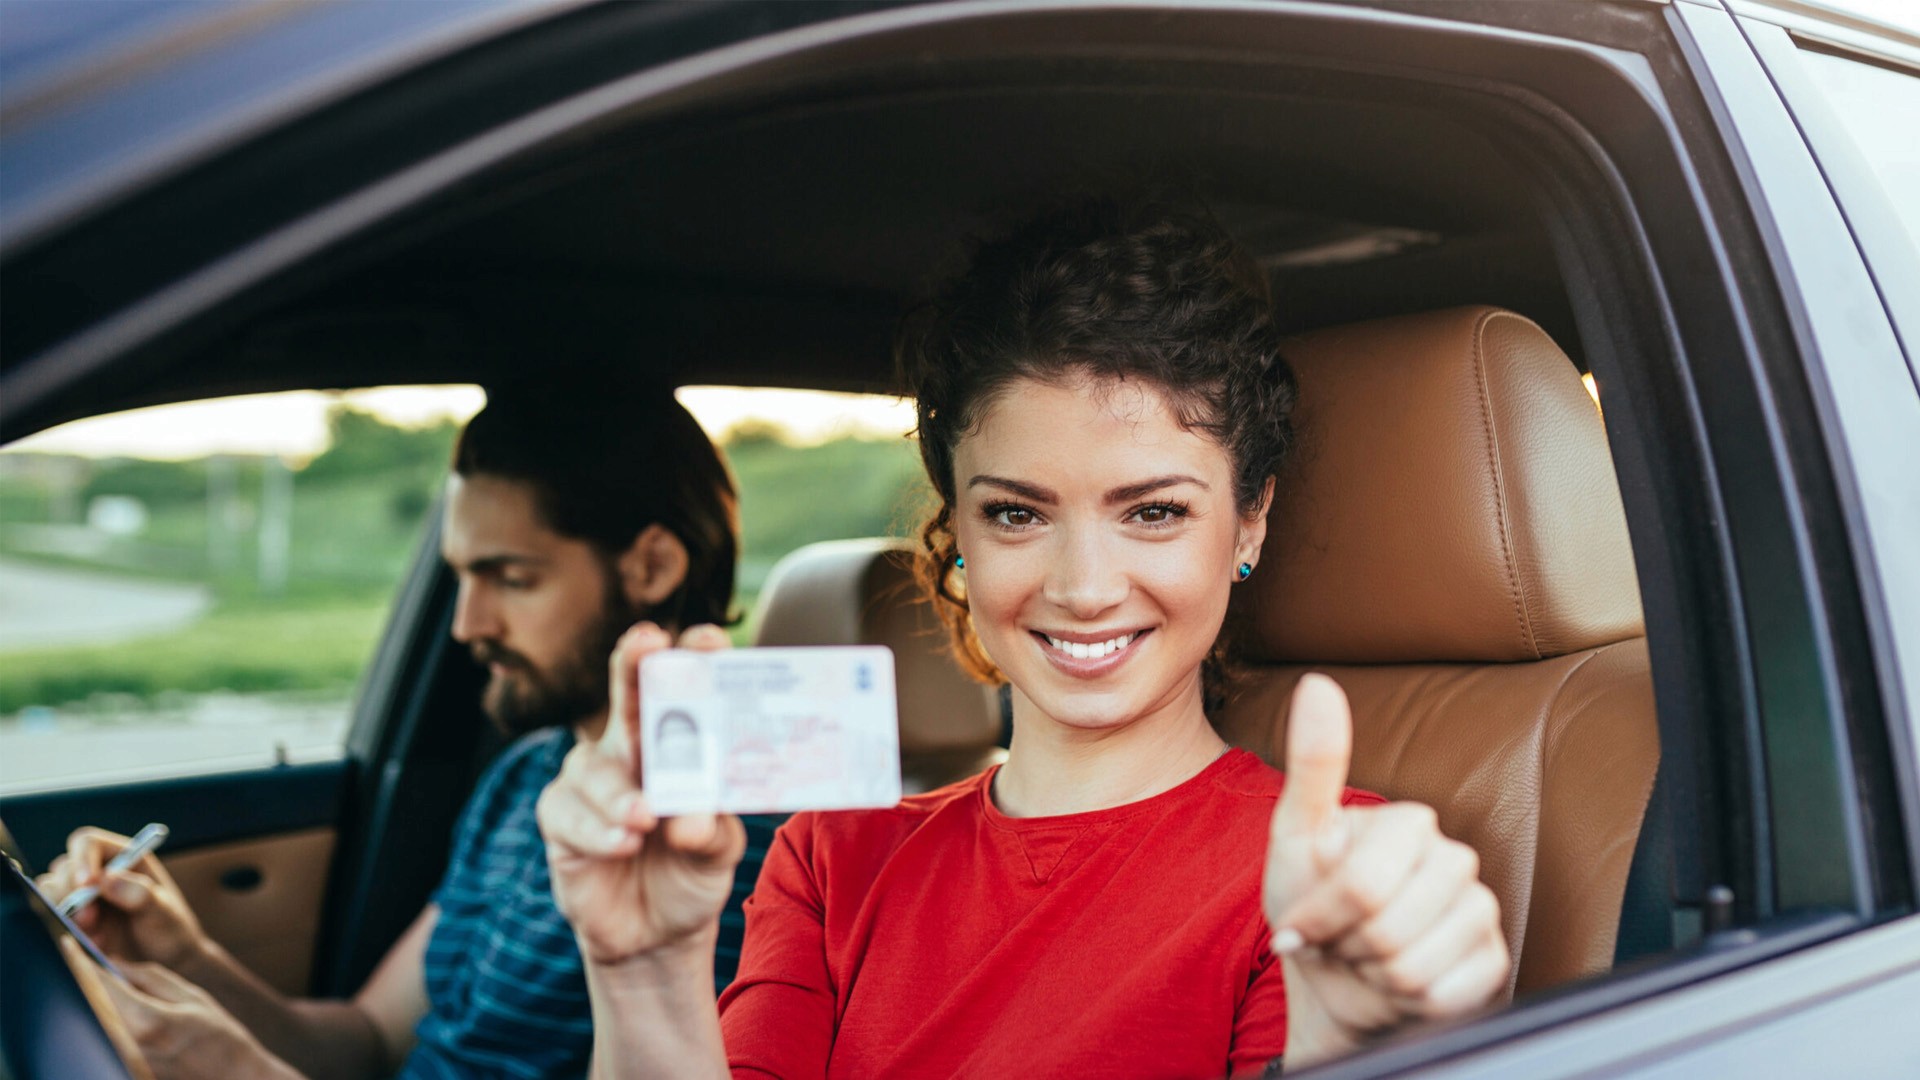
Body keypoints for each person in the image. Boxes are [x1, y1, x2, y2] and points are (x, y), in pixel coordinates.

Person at [536, 202, 1511, 1078]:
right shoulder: (830, 861)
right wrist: (644, 971)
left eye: (1156, 512)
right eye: (1016, 516)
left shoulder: (1336, 880)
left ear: (1249, 521)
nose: (1084, 589)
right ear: (954, 529)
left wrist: (1347, 1056)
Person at [40, 385, 748, 1080]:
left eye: (510, 578)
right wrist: (185, 958)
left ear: (652, 566)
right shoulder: (525, 776)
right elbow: (370, 1040)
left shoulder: (719, 844)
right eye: (463, 578)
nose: (469, 625)